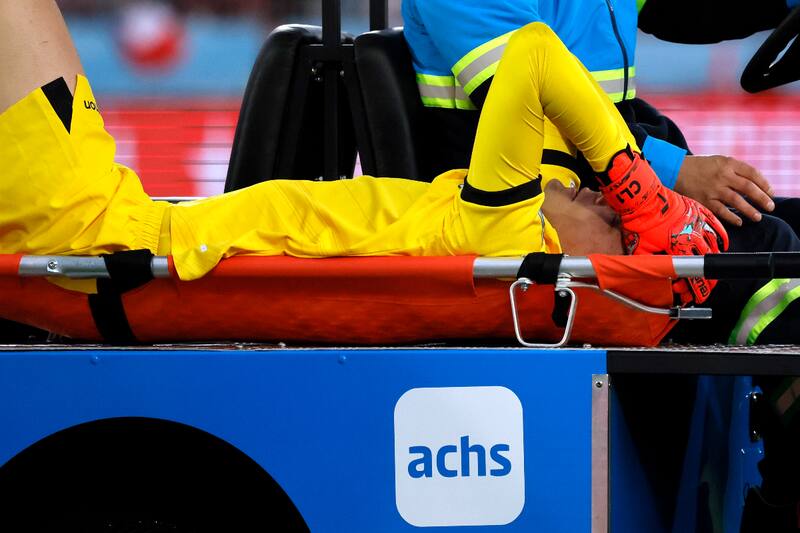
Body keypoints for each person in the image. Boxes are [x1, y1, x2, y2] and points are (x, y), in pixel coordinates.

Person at [2, 1, 799, 344]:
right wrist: (642, 183)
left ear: (586, 268)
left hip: (95, 234)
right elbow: (535, 61)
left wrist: (638, 182)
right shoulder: (494, 229)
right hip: (102, 228)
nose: (604, 192)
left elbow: (536, 64)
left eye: (614, 217)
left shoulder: (503, 229)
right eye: (618, 201)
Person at [401, 0, 781, 228]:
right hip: (520, 201)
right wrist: (670, 170)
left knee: (775, 225)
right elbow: (529, 103)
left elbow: (682, 9)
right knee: (771, 244)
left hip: (597, 176)